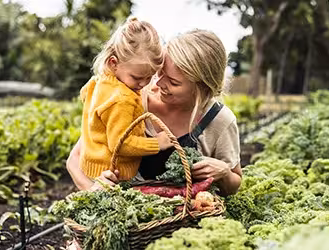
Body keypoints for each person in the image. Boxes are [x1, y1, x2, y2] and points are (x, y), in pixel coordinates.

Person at [67, 29, 242, 197]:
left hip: (183, 221)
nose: (157, 84)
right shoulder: (132, 96)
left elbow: (234, 183)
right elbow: (74, 159)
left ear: (202, 87)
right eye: (159, 73)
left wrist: (224, 173)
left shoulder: (219, 121)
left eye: (173, 82)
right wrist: (93, 191)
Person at [76, 17, 173, 190]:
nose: (144, 84)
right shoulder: (122, 98)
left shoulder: (100, 82)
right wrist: (158, 143)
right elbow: (121, 144)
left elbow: (86, 97)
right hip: (114, 173)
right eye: (137, 77)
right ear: (114, 63)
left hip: (93, 164)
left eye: (149, 77)